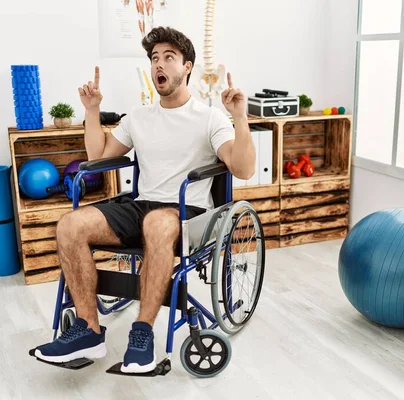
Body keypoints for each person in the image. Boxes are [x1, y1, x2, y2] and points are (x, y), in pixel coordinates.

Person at [32, 26, 255, 373]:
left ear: (187, 67)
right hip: (142, 206)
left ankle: (143, 333)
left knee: (157, 223)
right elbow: (98, 157)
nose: (159, 65)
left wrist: (239, 118)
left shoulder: (210, 118)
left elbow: (242, 168)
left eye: (169, 57)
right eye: (154, 58)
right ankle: (89, 329)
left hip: (187, 212)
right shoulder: (138, 117)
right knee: (70, 225)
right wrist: (92, 111)